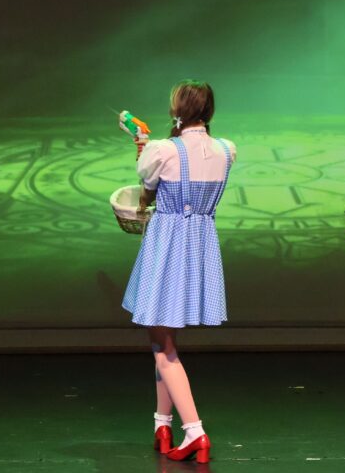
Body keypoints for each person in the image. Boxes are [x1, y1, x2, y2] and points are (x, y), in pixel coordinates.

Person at [122, 80, 236, 464]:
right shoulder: (226, 150)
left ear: (178, 110)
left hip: (168, 242)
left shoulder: (163, 150)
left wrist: (142, 148)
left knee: (162, 342)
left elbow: (147, 182)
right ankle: (162, 422)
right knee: (163, 340)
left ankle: (195, 432)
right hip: (200, 242)